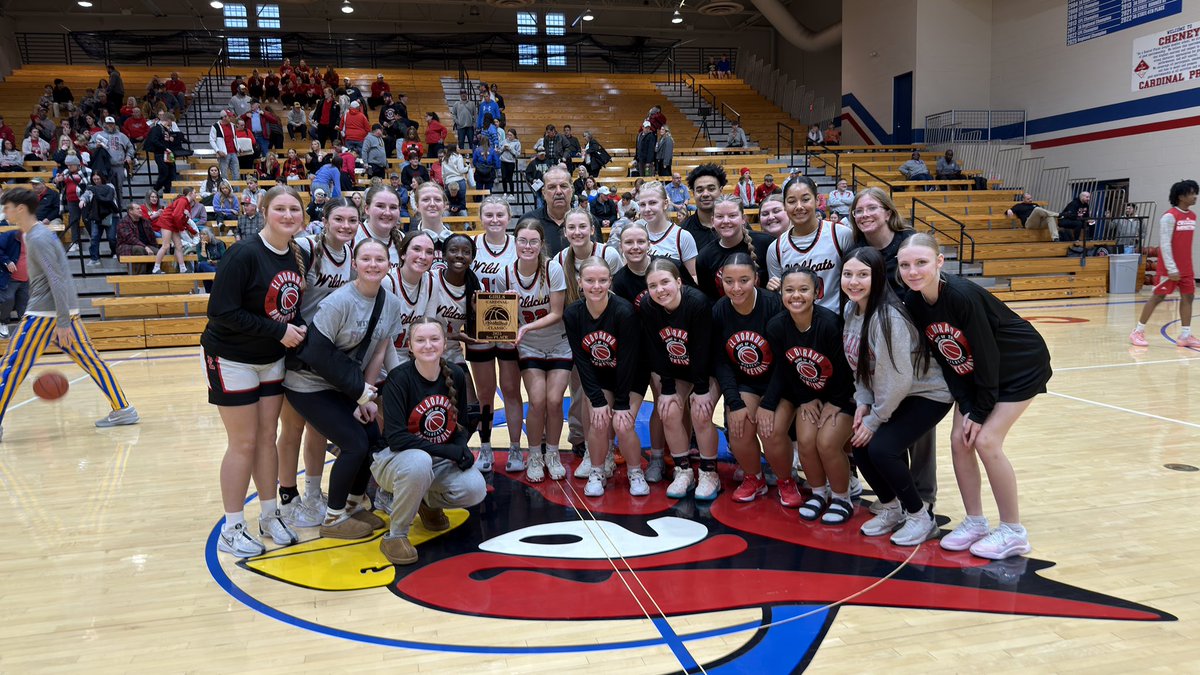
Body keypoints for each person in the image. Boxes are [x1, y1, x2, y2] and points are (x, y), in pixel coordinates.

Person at [898, 233, 1049, 558]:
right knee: (959, 440)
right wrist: (967, 405)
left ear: (939, 262)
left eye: (921, 263)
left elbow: (987, 356)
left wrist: (978, 413)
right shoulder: (914, 301)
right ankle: (976, 522)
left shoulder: (962, 296)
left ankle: (1013, 531)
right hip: (975, 372)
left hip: (1018, 365)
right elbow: (949, 358)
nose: (913, 271)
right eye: (906, 265)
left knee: (986, 440)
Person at [204, 185, 308, 557]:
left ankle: (268, 513)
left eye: (294, 209)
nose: (288, 215)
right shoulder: (243, 254)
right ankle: (232, 527)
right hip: (231, 357)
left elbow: (283, 307)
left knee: (268, 437)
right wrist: (280, 331)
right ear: (263, 211)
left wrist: (293, 327)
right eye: (279, 208)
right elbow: (221, 312)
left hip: (271, 358)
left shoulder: (295, 255)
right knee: (243, 442)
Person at [283, 237, 401, 540]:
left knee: (372, 436)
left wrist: (367, 395)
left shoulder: (390, 302)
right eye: (366, 259)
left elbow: (377, 352)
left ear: (389, 265)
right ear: (354, 264)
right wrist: (358, 394)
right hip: (308, 384)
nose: (373, 265)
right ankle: (333, 518)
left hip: (346, 385)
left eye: (380, 259)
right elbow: (319, 355)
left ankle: (352, 504)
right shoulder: (339, 301)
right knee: (354, 443)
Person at [0, 189, 137, 443]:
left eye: (6, 208)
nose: (4, 213)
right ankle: (123, 409)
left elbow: (57, 279)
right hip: (61, 311)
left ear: (20, 209)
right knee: (92, 361)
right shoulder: (37, 234)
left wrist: (62, 320)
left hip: (44, 314)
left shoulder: (38, 237)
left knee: (10, 366)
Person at [841, 247, 952, 547]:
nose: (854, 281)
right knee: (860, 445)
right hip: (890, 393)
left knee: (881, 449)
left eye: (863, 275)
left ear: (877, 277)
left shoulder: (888, 318)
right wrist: (863, 403)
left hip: (927, 394)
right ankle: (891, 508)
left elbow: (898, 380)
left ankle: (920, 516)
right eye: (848, 274)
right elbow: (859, 365)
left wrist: (876, 419)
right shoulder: (852, 309)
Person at [846, 186, 934, 505]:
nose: (865, 214)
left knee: (919, 429)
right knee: (886, 432)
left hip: (918, 346)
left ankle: (923, 495)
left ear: (887, 211)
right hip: (880, 349)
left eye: (872, 208)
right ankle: (899, 495)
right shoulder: (857, 250)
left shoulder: (908, 243)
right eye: (859, 210)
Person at [374, 318, 487, 565]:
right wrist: (450, 451)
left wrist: (461, 446)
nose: (428, 345)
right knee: (419, 462)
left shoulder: (455, 374)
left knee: (475, 488)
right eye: (420, 340)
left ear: (445, 344)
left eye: (434, 339)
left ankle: (423, 500)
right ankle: (396, 535)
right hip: (394, 460)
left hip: (435, 459)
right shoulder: (398, 378)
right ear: (410, 347)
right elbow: (396, 438)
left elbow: (459, 423)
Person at [756, 265, 856, 521]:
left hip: (841, 395)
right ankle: (819, 493)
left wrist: (836, 401)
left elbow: (846, 370)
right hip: (807, 394)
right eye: (789, 290)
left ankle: (842, 498)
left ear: (816, 292)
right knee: (806, 442)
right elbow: (787, 369)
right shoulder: (777, 326)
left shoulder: (831, 325)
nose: (796, 295)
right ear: (781, 294)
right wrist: (805, 398)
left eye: (803, 289)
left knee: (826, 442)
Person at [564, 257, 649, 497]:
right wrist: (598, 401)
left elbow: (628, 361)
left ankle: (635, 472)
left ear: (610, 281)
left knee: (623, 424)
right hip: (599, 375)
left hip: (630, 376)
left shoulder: (623, 311)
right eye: (590, 280)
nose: (596, 286)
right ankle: (598, 471)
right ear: (580, 282)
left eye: (602, 280)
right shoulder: (572, 314)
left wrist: (621, 403)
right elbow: (582, 361)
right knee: (598, 420)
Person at [639, 259, 721, 500]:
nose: (659, 290)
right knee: (669, 409)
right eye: (653, 285)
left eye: (665, 282)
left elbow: (703, 349)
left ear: (678, 282)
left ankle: (709, 473)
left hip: (707, 368)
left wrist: (703, 388)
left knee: (701, 411)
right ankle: (683, 470)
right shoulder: (648, 306)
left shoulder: (697, 303)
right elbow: (656, 348)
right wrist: (667, 387)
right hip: (677, 369)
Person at [495, 219, 570, 481]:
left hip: (558, 341)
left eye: (533, 241)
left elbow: (557, 313)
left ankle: (553, 452)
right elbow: (499, 317)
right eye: (522, 241)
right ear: (515, 242)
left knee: (555, 400)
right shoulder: (503, 274)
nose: (528, 246)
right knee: (537, 400)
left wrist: (525, 327)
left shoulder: (553, 269)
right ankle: (535, 454)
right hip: (529, 347)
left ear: (541, 244)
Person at [710, 252, 783, 503]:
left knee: (771, 431)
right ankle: (755, 478)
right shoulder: (720, 309)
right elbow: (720, 361)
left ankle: (786, 480)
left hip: (778, 382)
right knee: (738, 428)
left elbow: (785, 360)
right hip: (747, 382)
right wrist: (735, 401)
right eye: (729, 281)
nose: (736, 287)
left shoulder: (773, 304)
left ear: (756, 279)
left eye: (744, 280)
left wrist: (769, 403)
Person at [467, 196, 524, 472]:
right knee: (486, 393)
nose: (494, 220)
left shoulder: (518, 246)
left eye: (500, 214)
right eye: (488, 215)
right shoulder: (471, 246)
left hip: (510, 327)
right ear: (481, 217)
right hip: (479, 327)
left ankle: (516, 449)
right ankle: (486, 449)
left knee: (512, 390)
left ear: (509, 216)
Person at [765, 176, 855, 311]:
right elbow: (780, 294)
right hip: (796, 325)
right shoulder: (775, 248)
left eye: (805, 199)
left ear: (817, 200)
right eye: (791, 201)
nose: (799, 206)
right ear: (784, 206)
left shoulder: (841, 235)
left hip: (836, 323)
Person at [1131, 180, 1199, 348]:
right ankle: (1137, 331)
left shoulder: (1192, 216)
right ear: (1181, 196)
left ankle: (1185, 335)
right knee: (1157, 297)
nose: (1195, 196)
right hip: (1169, 268)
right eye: (1192, 193)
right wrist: (1172, 268)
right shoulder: (1169, 217)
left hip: (1186, 268)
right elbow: (1165, 244)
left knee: (1188, 297)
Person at [695, 196, 772, 299]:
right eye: (720, 216)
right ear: (713, 221)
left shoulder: (766, 243)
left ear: (743, 219)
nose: (726, 221)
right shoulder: (704, 257)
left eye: (732, 215)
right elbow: (709, 300)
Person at [639, 181, 699, 279]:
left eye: (652, 203)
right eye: (642, 204)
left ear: (665, 203)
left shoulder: (682, 236)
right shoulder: (636, 235)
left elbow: (693, 277)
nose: (647, 209)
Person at [521, 165, 575, 254]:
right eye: (552, 187)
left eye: (563, 186)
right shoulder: (527, 221)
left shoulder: (587, 222)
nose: (558, 191)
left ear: (572, 190)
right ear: (544, 193)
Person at [151, 188, 198, 274]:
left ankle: (183, 268)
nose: (196, 194)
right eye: (195, 192)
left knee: (179, 245)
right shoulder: (183, 201)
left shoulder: (186, 204)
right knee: (166, 246)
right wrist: (181, 228)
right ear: (190, 193)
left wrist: (191, 231)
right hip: (167, 222)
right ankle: (156, 268)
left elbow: (183, 219)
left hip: (173, 224)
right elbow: (176, 216)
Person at [681, 164, 727, 250]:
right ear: (693, 194)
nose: (705, 194)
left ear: (721, 191)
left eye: (711, 189)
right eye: (700, 190)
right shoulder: (683, 231)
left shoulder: (735, 224)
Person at [80, 173, 120, 266]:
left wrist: (95, 192)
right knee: (94, 237)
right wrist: (83, 200)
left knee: (111, 237)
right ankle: (94, 258)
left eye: (98, 178)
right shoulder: (90, 188)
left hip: (111, 214)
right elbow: (86, 195)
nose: (96, 181)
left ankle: (114, 252)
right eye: (94, 179)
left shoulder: (110, 186)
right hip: (96, 215)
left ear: (102, 178)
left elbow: (111, 196)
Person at [114, 203, 158, 272]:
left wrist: (154, 247)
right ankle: (140, 276)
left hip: (145, 246)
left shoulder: (145, 221)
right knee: (140, 249)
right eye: (138, 209)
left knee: (158, 252)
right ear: (130, 211)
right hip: (127, 247)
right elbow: (130, 238)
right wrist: (145, 247)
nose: (141, 210)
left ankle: (151, 274)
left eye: (140, 208)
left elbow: (152, 237)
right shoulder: (123, 222)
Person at [208, 110, 242, 181]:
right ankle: (225, 191)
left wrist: (238, 147)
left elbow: (235, 138)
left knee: (236, 173)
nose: (232, 118)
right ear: (224, 117)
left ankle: (236, 191)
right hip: (224, 154)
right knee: (224, 174)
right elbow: (211, 140)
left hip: (233, 152)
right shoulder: (216, 126)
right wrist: (218, 151)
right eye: (230, 116)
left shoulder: (232, 125)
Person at [193, 227, 225, 291]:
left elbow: (225, 258)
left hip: (217, 265)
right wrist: (203, 246)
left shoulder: (219, 243)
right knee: (202, 265)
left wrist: (215, 262)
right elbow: (201, 260)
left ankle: (210, 291)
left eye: (204, 234)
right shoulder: (199, 245)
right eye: (201, 234)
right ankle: (217, 281)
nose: (202, 236)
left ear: (210, 235)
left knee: (207, 270)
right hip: (204, 267)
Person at [499, 128, 521, 193]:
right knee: (503, 178)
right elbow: (500, 150)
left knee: (510, 178)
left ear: (514, 135)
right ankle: (505, 192)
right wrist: (503, 148)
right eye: (508, 135)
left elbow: (518, 154)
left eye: (510, 135)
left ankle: (512, 193)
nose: (509, 136)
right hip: (503, 161)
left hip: (511, 162)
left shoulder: (517, 143)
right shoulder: (504, 141)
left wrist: (510, 149)